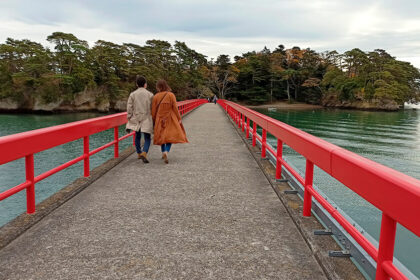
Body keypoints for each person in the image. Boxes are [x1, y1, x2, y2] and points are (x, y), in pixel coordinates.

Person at [151, 79, 188, 164]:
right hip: (169, 118)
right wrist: (179, 118)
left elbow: (153, 111)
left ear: (158, 87)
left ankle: (163, 151)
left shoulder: (156, 96)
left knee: (162, 137)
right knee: (169, 136)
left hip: (159, 119)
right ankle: (166, 152)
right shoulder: (171, 95)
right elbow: (175, 108)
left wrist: (153, 119)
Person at [126, 76, 154, 163]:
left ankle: (138, 153)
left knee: (137, 136)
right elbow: (153, 107)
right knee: (147, 137)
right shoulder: (150, 94)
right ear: (145, 84)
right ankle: (144, 152)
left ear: (137, 84)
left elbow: (129, 106)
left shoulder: (132, 94)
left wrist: (129, 116)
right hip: (146, 117)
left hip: (136, 117)